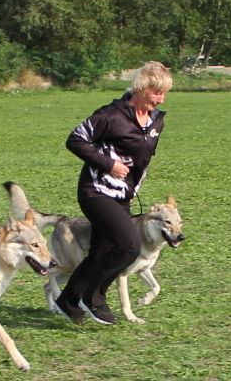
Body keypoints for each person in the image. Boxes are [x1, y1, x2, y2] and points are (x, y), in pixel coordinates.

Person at [53, 61, 171, 325]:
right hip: (95, 192)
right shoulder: (111, 116)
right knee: (128, 245)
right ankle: (94, 298)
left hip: (123, 194)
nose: (160, 99)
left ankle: (69, 300)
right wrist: (109, 164)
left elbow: (143, 158)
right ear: (141, 88)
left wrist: (134, 184)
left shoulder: (155, 122)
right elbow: (75, 139)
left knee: (101, 251)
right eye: (156, 92)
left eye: (163, 93)